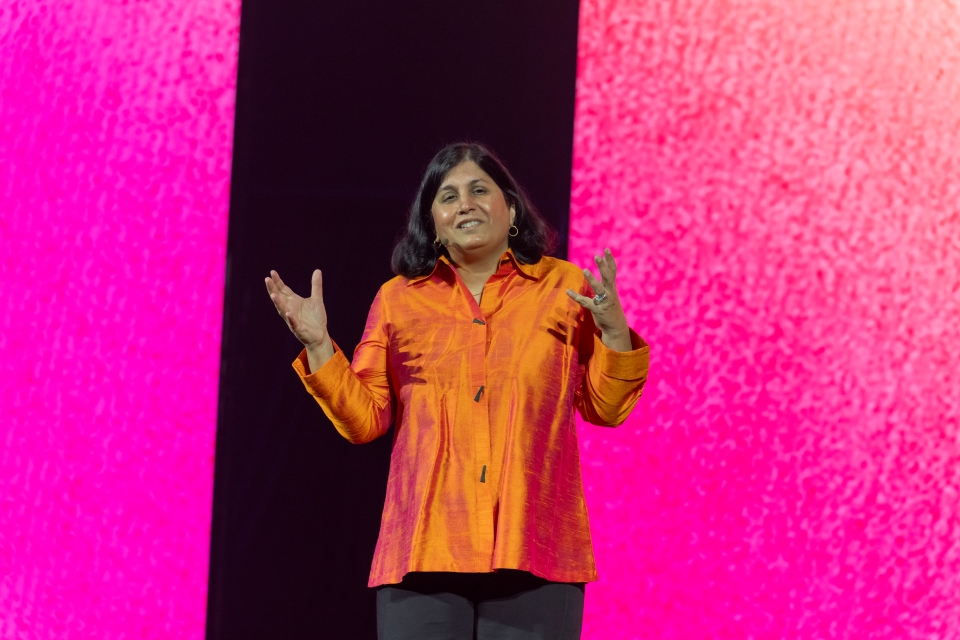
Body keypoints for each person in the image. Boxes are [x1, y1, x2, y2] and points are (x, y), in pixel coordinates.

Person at [265, 142, 650, 640]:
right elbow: (365, 421)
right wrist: (319, 345)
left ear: (510, 209)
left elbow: (606, 407)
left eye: (478, 190)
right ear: (434, 225)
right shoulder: (398, 300)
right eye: (448, 196)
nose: (464, 203)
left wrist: (615, 332)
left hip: (536, 549)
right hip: (424, 552)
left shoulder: (564, 287)